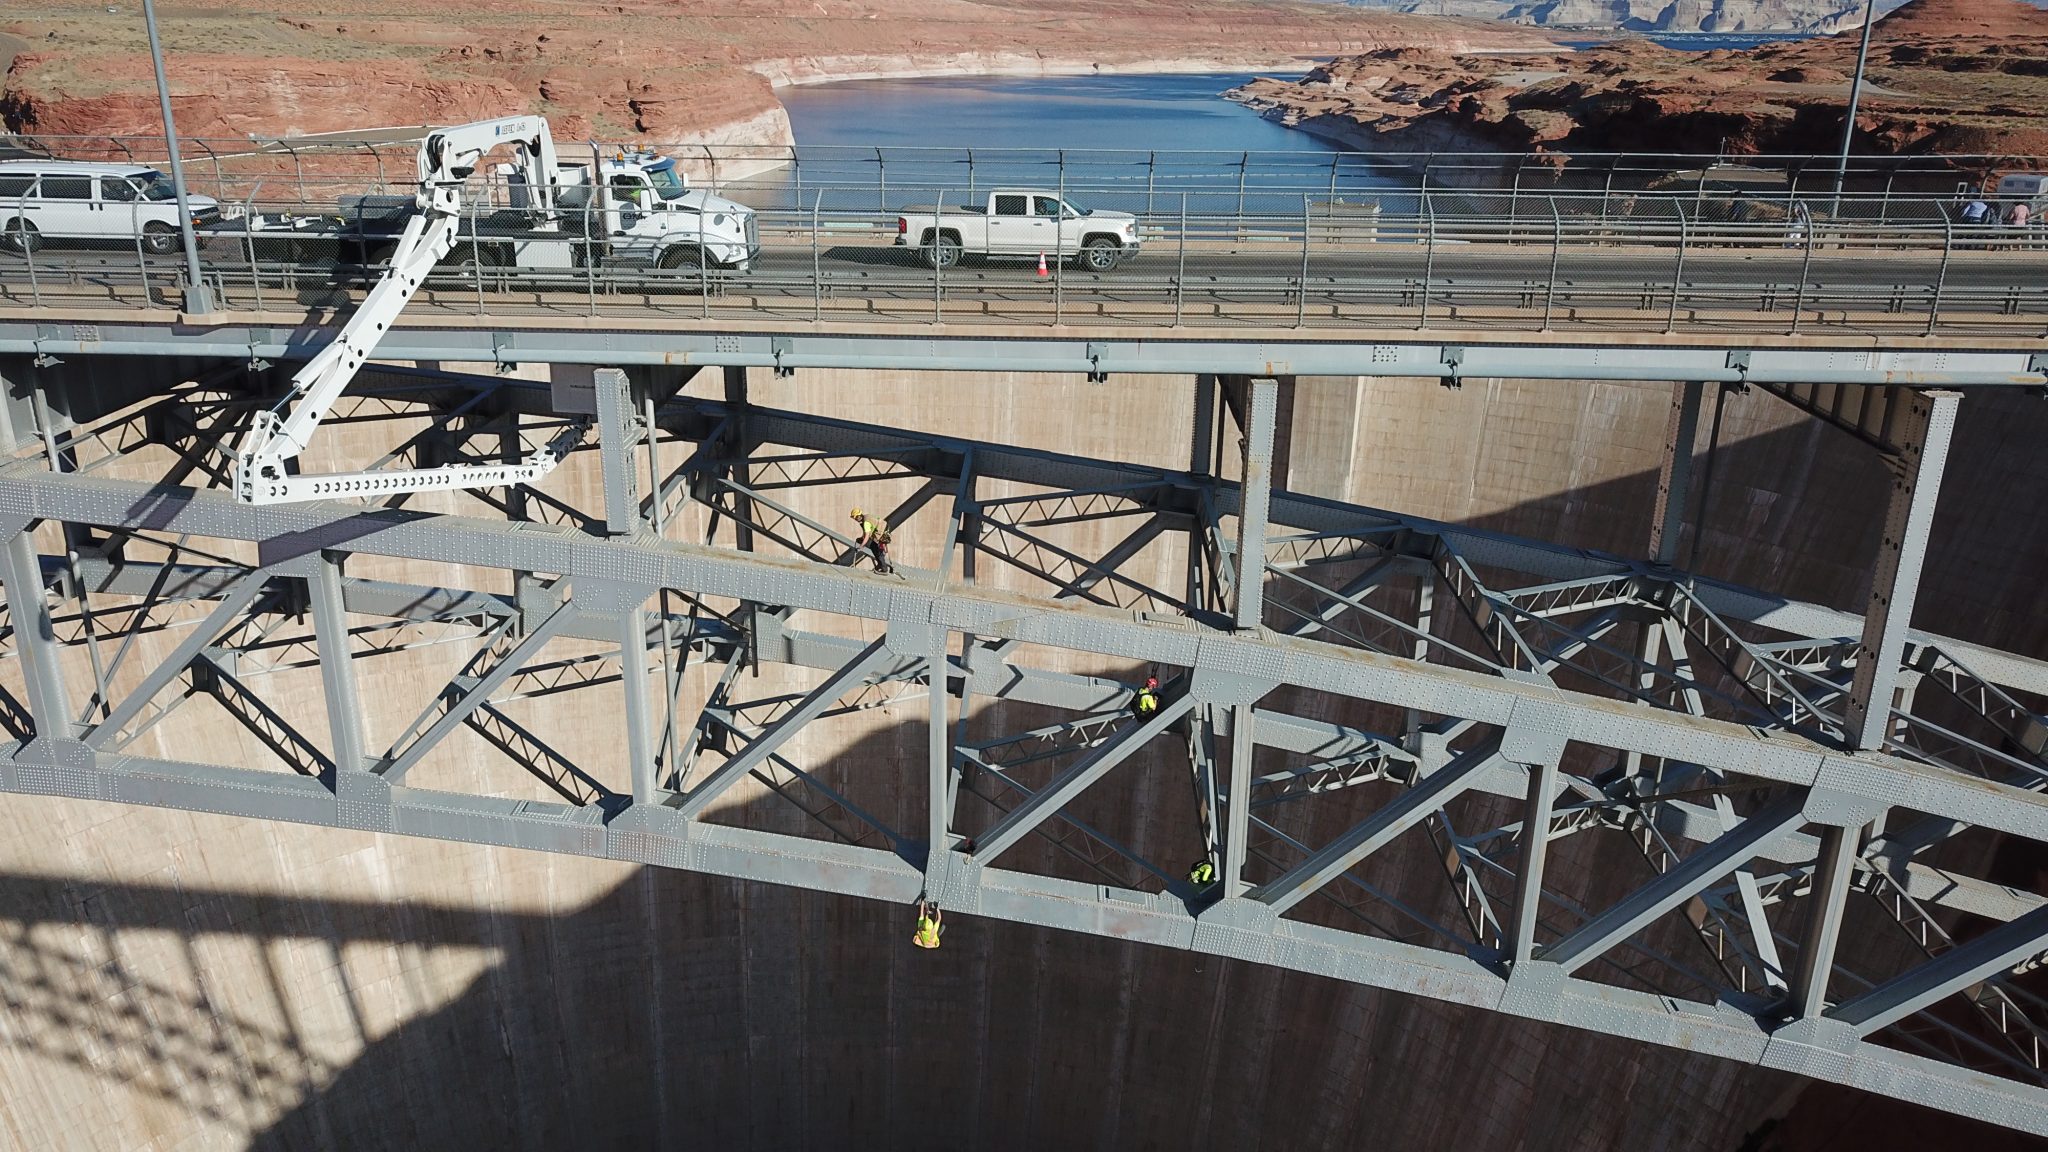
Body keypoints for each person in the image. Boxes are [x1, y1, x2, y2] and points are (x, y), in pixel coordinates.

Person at [851, 507, 893, 575]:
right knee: (874, 546)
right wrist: (861, 538)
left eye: (855, 518)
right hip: (884, 529)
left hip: (882, 533)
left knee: (877, 549)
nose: (855, 519)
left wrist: (861, 546)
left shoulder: (866, 523)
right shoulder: (866, 517)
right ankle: (880, 564)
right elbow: (865, 532)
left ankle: (884, 569)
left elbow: (867, 536)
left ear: (858, 516)